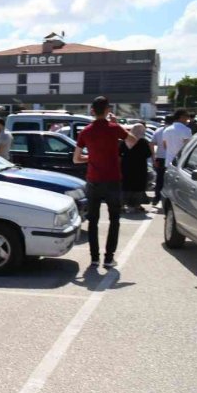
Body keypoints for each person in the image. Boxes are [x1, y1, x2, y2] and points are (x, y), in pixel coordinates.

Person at [74, 96, 136, 269]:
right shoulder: (114, 128)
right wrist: (117, 125)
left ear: (92, 111)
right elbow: (132, 142)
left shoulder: (85, 132)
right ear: (108, 110)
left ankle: (94, 258)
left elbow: (76, 159)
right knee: (114, 219)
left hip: (94, 180)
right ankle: (109, 258)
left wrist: (91, 157)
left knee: (93, 220)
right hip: (113, 180)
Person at [120, 123, 152, 213]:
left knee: (125, 186)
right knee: (138, 186)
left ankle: (121, 205)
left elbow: (119, 153)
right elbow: (148, 154)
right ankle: (136, 205)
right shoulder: (143, 142)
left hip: (126, 167)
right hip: (139, 168)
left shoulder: (126, 140)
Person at [151, 115, 174, 207]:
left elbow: (151, 144)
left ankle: (156, 198)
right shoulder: (175, 131)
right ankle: (170, 200)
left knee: (160, 179)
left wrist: (154, 157)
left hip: (160, 157)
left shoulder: (159, 130)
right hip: (172, 159)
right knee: (171, 181)